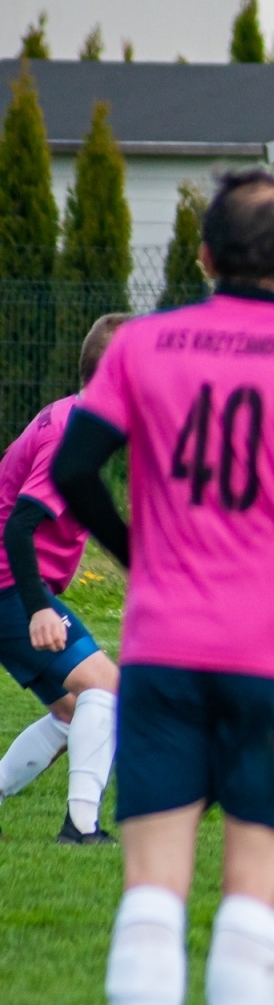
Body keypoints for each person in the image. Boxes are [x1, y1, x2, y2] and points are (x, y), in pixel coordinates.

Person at [52, 169, 274, 1005]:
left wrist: (139, 557)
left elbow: (73, 469)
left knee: (152, 893)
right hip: (271, 663)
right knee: (256, 905)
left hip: (161, 655)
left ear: (203, 257)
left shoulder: (140, 346)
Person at [0, 312, 129, 844]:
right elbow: (21, 524)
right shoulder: (74, 430)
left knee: (76, 711)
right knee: (109, 690)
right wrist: (37, 607)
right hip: (10, 588)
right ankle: (81, 826)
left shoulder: (75, 419)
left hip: (13, 587)